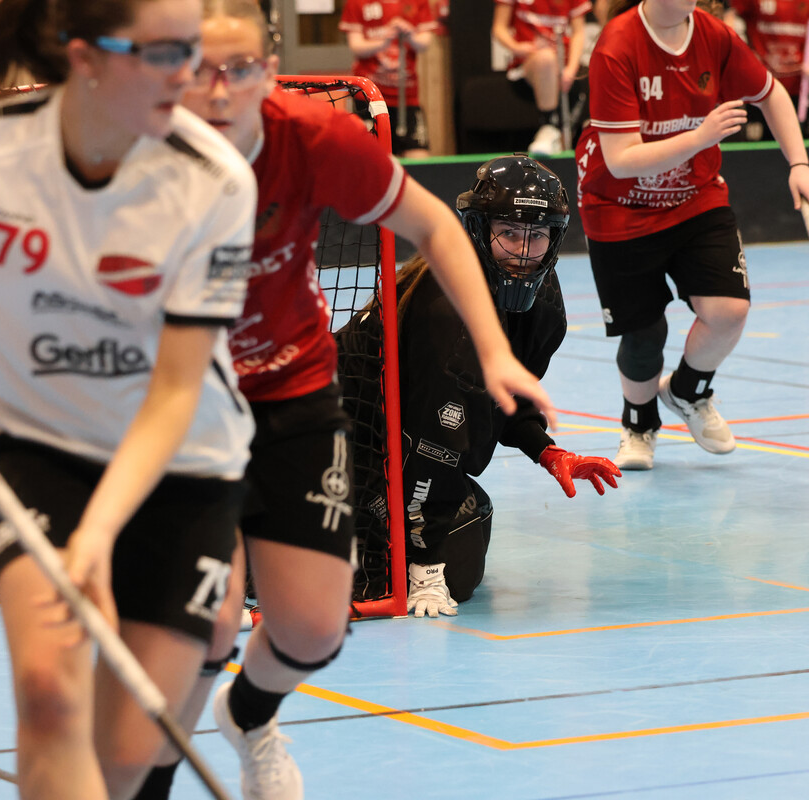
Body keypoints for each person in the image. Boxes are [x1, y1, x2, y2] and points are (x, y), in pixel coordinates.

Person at [135, 3, 560, 798]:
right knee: (208, 623)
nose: (219, 89)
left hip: (294, 392)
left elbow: (435, 226)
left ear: (270, 70)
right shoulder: (131, 150)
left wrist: (497, 350)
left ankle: (249, 716)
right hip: (181, 402)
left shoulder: (309, 136)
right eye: (199, 68)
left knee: (313, 627)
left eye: (240, 69)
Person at [0, 0, 259, 798]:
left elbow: (175, 390)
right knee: (47, 696)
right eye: (162, 52)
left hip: (182, 465)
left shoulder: (213, 180)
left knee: (127, 753)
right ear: (86, 57)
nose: (189, 75)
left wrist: (96, 534)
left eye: (192, 49)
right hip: (38, 455)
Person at [336, 155, 621, 616]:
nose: (523, 252)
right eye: (509, 233)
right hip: (348, 442)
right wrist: (426, 569)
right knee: (391, 571)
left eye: (537, 235)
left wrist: (547, 451)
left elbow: (499, 397)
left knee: (462, 557)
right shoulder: (443, 310)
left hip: (413, 445)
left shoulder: (544, 308)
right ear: (478, 230)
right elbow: (430, 444)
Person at [576, 0, 809, 471]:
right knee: (644, 334)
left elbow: (771, 94)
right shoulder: (616, 46)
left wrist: (799, 163)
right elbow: (621, 160)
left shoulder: (716, 36)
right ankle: (638, 424)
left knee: (729, 310)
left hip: (695, 196)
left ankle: (687, 391)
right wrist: (701, 136)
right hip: (619, 206)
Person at [340, 0, 439, 157]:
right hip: (367, 98)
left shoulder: (418, 2)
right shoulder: (358, 3)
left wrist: (410, 35)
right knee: (370, 157)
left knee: (418, 156)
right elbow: (356, 46)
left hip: (406, 98)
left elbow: (424, 43)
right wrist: (384, 41)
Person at [492, 0, 592, 155]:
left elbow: (578, 32)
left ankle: (563, 142)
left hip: (564, 66)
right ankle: (549, 126)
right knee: (546, 59)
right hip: (529, 63)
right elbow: (499, 28)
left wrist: (571, 69)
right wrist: (516, 47)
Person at [725, 0, 809, 140]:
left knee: (795, 139)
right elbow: (730, 18)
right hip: (761, 84)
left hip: (797, 84)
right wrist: (741, 55)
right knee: (759, 142)